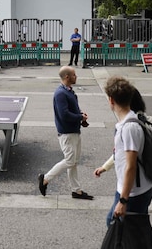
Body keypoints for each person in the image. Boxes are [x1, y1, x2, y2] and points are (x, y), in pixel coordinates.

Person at [102, 76, 152, 247]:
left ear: (111, 100)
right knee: (129, 227)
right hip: (134, 189)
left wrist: (123, 200)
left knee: (127, 229)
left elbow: (131, 166)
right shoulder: (127, 122)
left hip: (133, 192)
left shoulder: (129, 127)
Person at [38, 65, 93, 200]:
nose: (76, 77)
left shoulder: (68, 91)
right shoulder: (60, 93)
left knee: (73, 162)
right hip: (67, 133)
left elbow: (71, 110)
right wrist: (80, 117)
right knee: (69, 161)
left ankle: (76, 191)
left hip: (74, 131)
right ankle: (45, 179)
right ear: (67, 77)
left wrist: (80, 115)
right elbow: (64, 115)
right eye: (74, 75)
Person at [94, 88, 148, 178]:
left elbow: (130, 165)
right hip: (145, 181)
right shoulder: (143, 120)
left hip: (135, 186)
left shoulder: (130, 127)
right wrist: (105, 167)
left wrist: (124, 191)